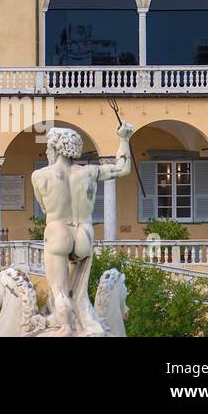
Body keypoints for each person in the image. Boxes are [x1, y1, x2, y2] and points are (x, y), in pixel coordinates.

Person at [30, 123, 132, 336]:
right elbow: (123, 169)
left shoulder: (40, 175)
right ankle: (85, 323)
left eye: (49, 147)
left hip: (58, 231)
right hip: (84, 233)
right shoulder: (90, 172)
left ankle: (67, 327)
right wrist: (124, 139)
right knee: (79, 291)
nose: (47, 152)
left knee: (59, 290)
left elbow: (43, 206)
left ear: (56, 148)